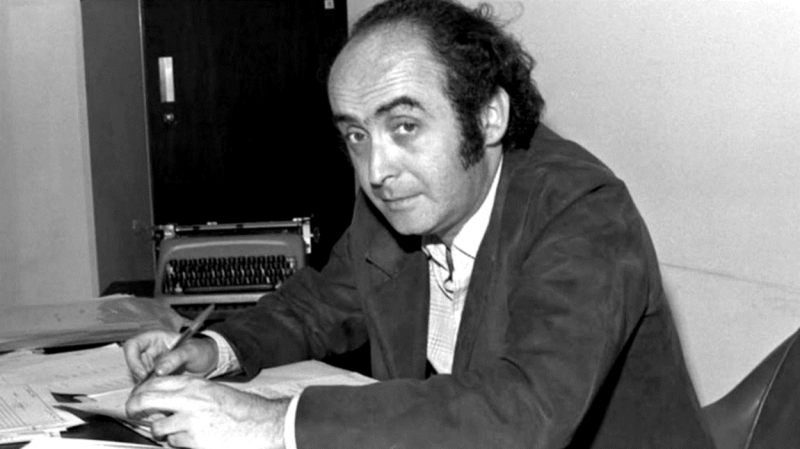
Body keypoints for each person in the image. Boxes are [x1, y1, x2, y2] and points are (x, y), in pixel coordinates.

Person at [124, 0, 715, 447]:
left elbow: (527, 410)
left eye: (404, 126)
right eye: (356, 135)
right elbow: (317, 308)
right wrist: (215, 350)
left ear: (488, 117)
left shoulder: (583, 211)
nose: (376, 171)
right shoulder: (404, 200)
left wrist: (274, 423)